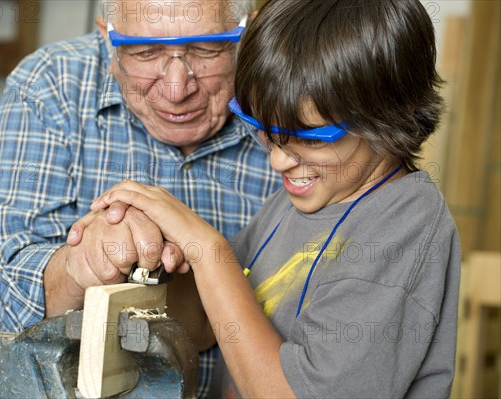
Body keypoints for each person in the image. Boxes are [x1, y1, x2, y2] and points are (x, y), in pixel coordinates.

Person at [93, 0, 462, 397]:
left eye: (307, 138)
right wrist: (151, 246)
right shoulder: (299, 202)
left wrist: (204, 245)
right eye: (265, 130)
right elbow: (202, 325)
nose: (279, 160)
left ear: (390, 116)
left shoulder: (403, 226)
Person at [0, 0, 281, 396]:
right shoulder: (51, 83)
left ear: (246, 33)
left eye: (206, 49)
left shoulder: (286, 90)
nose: (176, 87)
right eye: (146, 53)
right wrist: (81, 266)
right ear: (108, 39)